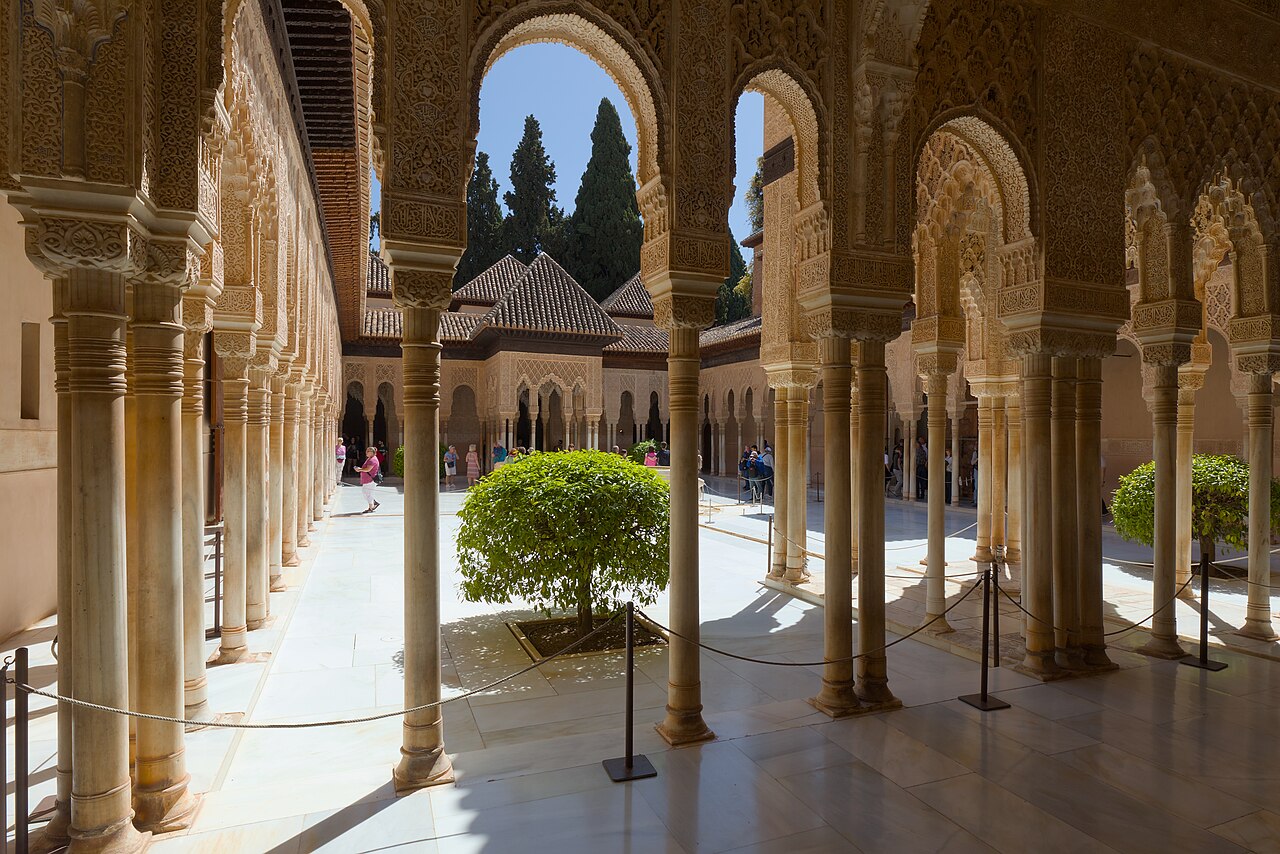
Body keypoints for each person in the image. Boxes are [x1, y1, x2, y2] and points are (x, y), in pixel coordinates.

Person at [358, 446, 380, 513]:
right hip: (367, 480)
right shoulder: (370, 459)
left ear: (372, 452)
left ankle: (371, 507)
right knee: (366, 493)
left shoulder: (372, 460)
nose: (366, 452)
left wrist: (359, 469)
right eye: (366, 451)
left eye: (368, 451)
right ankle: (373, 504)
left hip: (370, 480)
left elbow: (368, 469)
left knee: (368, 494)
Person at [915, 436, 928, 500]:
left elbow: (917, 460)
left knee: (917, 482)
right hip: (923, 467)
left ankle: (917, 494)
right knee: (922, 482)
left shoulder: (917, 451)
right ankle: (922, 495)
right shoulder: (923, 451)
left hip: (919, 467)